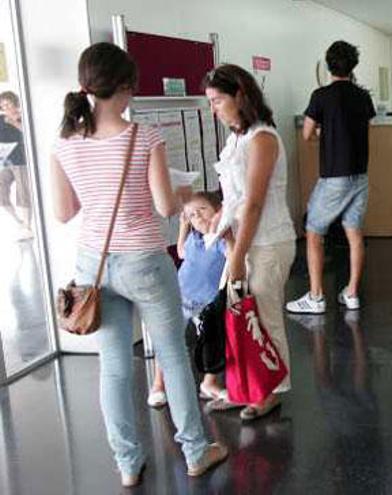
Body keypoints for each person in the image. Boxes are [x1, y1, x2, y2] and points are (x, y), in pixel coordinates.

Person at [50, 42, 227, 487]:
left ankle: (128, 464)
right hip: (144, 259)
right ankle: (194, 452)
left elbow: (63, 211)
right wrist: (187, 193)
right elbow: (166, 205)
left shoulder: (65, 143)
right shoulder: (143, 136)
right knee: (172, 355)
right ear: (126, 86)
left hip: (93, 265)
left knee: (113, 367)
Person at [205, 64, 297, 421]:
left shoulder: (262, 139)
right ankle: (243, 386)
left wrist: (239, 256)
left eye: (217, 101)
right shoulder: (237, 139)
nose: (213, 109)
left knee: (264, 315)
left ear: (239, 96)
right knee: (234, 315)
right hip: (241, 244)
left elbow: (255, 203)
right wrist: (218, 224)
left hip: (268, 243)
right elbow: (235, 198)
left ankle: (272, 389)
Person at [286, 40, 375, 314]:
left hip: (334, 176)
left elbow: (306, 133)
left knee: (313, 232)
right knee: (354, 234)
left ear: (328, 65)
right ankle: (351, 293)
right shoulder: (363, 97)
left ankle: (315, 297)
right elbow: (363, 128)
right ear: (354, 66)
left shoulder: (321, 95)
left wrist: (323, 133)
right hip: (360, 175)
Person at [147, 191, 230, 409]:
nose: (199, 217)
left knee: (214, 342)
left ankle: (209, 382)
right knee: (167, 339)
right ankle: (158, 384)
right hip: (180, 297)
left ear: (217, 211)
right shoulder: (194, 238)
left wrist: (222, 226)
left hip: (206, 305)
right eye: (192, 215)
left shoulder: (220, 240)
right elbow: (181, 252)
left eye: (203, 210)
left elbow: (233, 253)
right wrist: (183, 225)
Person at [0, 91, 32, 239]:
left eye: (8, 104)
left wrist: (14, 122)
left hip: (21, 160)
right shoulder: (0, 119)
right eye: (2, 106)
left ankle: (27, 225)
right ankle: (18, 221)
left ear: (15, 104)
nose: (5, 108)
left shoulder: (23, 116)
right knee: (1, 193)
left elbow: (30, 134)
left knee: (23, 192)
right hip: (5, 161)